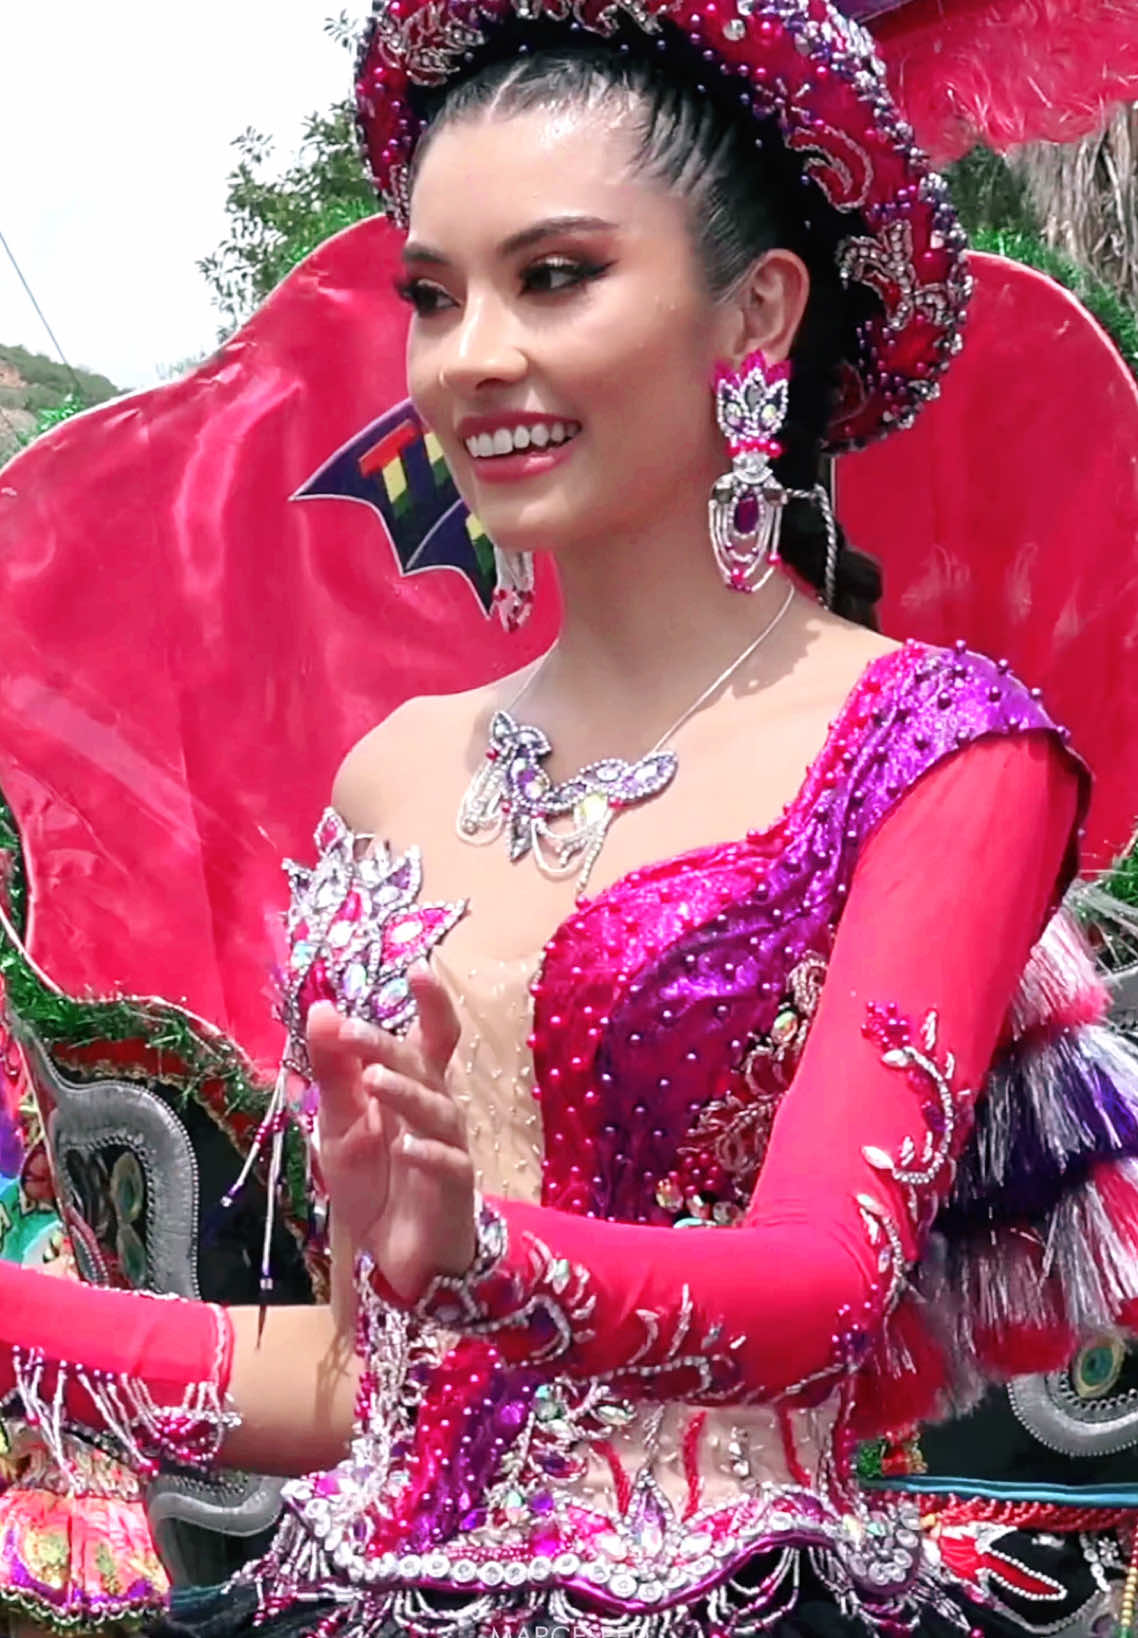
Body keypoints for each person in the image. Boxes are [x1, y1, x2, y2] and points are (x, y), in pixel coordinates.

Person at [2, 2, 1138, 1635]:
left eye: (553, 277)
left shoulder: (940, 752)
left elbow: (821, 1291)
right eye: (430, 294)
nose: (470, 356)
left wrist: (487, 1262)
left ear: (752, 311)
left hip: (737, 1593)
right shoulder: (391, 770)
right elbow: (347, 1376)